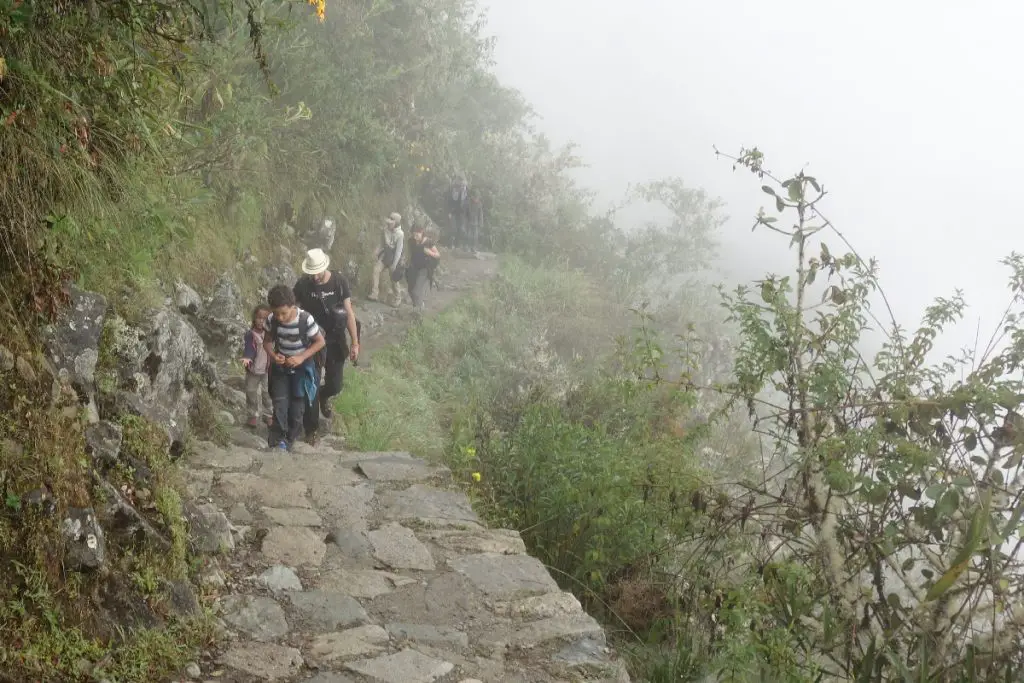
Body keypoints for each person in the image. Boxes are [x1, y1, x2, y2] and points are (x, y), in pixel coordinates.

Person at [293, 248, 360, 443]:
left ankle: (324, 395)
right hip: (312, 341)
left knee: (335, 384)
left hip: (335, 339)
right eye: (311, 273)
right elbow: (293, 309)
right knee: (310, 383)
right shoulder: (303, 285)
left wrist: (355, 342)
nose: (314, 276)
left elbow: (348, 312)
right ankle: (311, 429)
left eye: (317, 272)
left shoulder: (339, 282)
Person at [263, 284, 326, 451]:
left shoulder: (306, 320)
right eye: (276, 313)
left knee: (297, 406)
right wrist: (273, 356)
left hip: (302, 368)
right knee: (280, 402)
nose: (280, 318)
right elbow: (267, 341)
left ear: (293, 306)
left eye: (284, 313)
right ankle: (277, 439)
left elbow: (320, 341)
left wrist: (301, 357)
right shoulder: (271, 320)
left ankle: (290, 439)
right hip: (281, 367)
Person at [241, 304, 273, 428]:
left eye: (265, 319)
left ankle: (269, 415)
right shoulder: (250, 334)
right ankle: (252, 415)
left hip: (266, 370)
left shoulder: (270, 334)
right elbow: (248, 349)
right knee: (250, 392)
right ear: (254, 318)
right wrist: (247, 360)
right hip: (253, 370)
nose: (261, 321)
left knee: (267, 393)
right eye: (259, 318)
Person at [369, 212, 405, 307]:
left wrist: (394, 265)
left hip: (394, 258)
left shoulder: (400, 234)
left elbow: (398, 251)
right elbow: (381, 243)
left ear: (396, 223)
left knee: (393, 279)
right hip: (385, 255)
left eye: (391, 223)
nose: (389, 224)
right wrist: (376, 252)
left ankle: (398, 298)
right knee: (376, 270)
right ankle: (374, 293)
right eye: (388, 222)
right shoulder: (385, 230)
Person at [405, 224, 441, 310]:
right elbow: (410, 253)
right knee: (410, 290)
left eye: (417, 234)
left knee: (417, 290)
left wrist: (429, 252)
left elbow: (438, 255)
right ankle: (416, 307)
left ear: (422, 232)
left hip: (425, 269)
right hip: (413, 268)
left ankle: (419, 310)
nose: (415, 237)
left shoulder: (428, 242)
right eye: (413, 234)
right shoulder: (411, 241)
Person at [447, 175, 469, 248]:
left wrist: (467, 213)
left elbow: (467, 201)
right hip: (453, 211)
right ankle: (451, 244)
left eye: (462, 184)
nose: (461, 186)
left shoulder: (466, 190)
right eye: (460, 184)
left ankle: (458, 244)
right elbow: (448, 201)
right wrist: (449, 211)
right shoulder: (452, 189)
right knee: (453, 228)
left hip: (462, 212)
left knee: (461, 228)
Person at [467, 188, 484, 253]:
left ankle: (473, 248)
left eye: (477, 198)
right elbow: (465, 213)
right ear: (472, 197)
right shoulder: (468, 203)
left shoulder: (479, 204)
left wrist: (481, 223)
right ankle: (468, 247)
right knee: (468, 235)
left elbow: (481, 214)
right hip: (468, 222)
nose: (476, 199)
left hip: (475, 222)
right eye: (475, 198)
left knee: (475, 236)